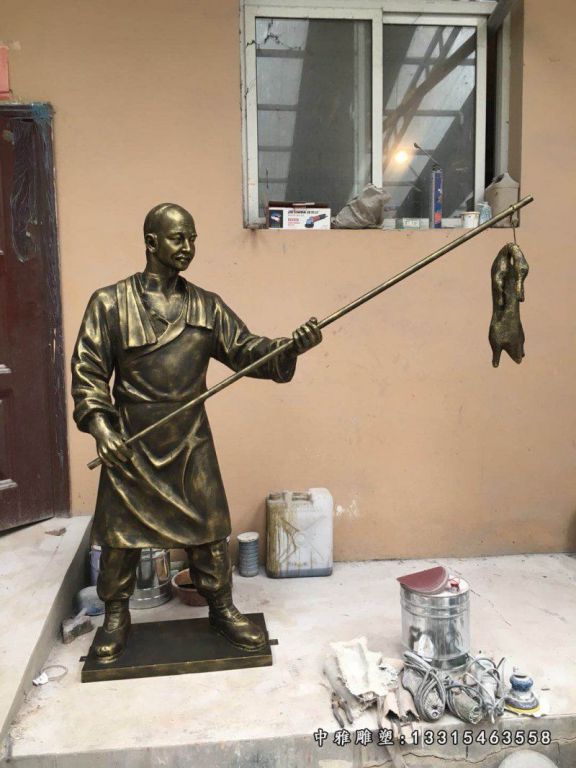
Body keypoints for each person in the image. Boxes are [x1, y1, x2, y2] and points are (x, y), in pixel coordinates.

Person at [72, 203, 321, 662]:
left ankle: (222, 608)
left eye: (192, 238)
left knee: (209, 528)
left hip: (188, 439)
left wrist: (288, 348)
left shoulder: (207, 305)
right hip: (133, 440)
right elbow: (88, 373)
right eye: (177, 238)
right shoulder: (109, 303)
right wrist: (102, 427)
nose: (187, 247)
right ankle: (116, 616)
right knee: (121, 537)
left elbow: (246, 350)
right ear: (151, 242)